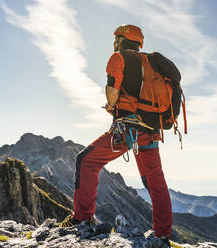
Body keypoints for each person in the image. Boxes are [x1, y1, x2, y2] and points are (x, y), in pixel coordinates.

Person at [59, 24, 173, 247]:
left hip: (126, 129)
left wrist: (112, 106)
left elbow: (112, 91)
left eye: (116, 39)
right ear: (138, 43)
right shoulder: (150, 63)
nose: (114, 43)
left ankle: (81, 217)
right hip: (150, 131)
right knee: (155, 181)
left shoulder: (118, 58)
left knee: (87, 161)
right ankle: (163, 233)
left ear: (121, 39)